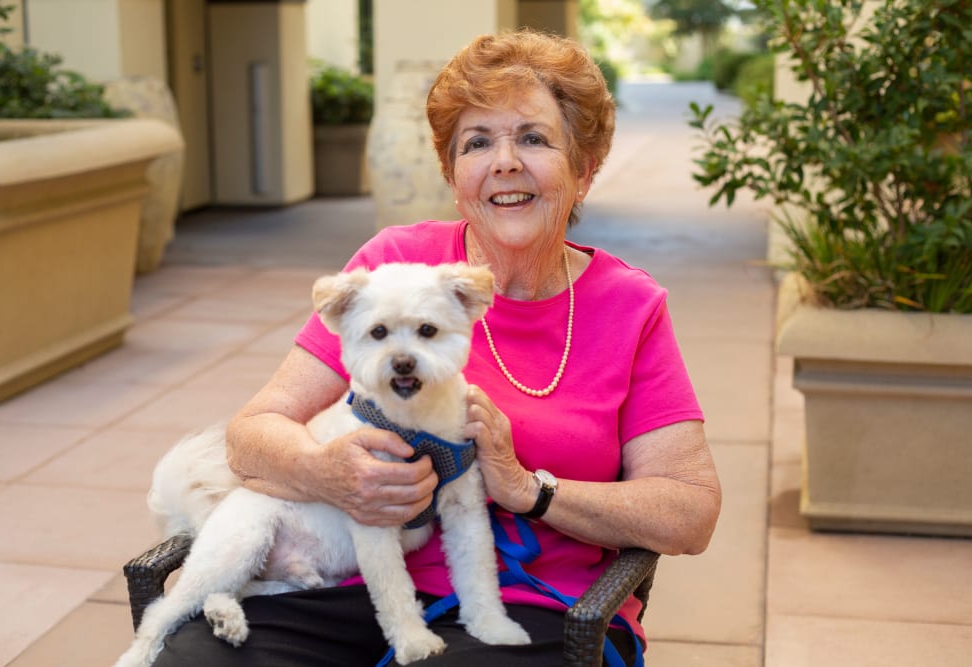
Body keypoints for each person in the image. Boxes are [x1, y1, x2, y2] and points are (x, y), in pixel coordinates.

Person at [152, 28, 721, 666]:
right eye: (477, 143)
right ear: (456, 178)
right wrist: (330, 474)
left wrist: (530, 490)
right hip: (347, 578)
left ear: (583, 170)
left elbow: (689, 511)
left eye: (532, 138)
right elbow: (253, 432)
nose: (504, 161)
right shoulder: (394, 267)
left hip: (529, 607)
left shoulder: (630, 308)